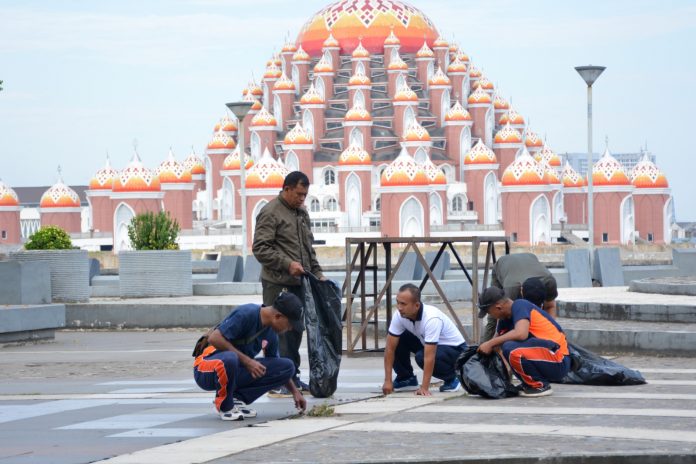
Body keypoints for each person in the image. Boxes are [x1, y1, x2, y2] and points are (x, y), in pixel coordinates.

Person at [252, 171, 325, 395]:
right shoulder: (270, 212)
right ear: (286, 189)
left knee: (295, 330)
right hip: (278, 283)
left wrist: (318, 273)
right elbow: (260, 248)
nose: (302, 199)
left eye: (305, 195)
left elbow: (307, 250)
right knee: (279, 332)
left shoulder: (301, 214)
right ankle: (279, 380)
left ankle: (290, 376)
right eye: (299, 194)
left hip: (299, 282)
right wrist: (287, 264)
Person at [193, 292, 307, 420]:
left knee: (287, 367)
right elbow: (215, 338)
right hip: (206, 368)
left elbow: (277, 366)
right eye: (290, 324)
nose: (290, 329)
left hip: (234, 369)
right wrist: (247, 361)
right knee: (231, 359)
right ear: (278, 316)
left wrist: (295, 392)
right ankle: (224, 406)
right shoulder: (247, 313)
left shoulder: (270, 332)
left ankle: (237, 398)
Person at [476, 286, 570, 397]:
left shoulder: (520, 305)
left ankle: (538, 385)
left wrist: (490, 343)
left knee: (511, 349)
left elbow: (521, 334)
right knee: (507, 347)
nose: (490, 316)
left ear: (498, 307)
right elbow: (496, 345)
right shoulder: (505, 318)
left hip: (559, 359)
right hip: (546, 357)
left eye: (489, 312)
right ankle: (529, 383)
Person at [382, 284, 467, 396]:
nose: (399, 307)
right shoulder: (399, 315)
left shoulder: (431, 318)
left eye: (403, 304)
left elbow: (429, 356)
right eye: (398, 302)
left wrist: (424, 387)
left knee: (421, 356)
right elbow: (389, 349)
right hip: (429, 344)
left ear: (417, 305)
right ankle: (406, 378)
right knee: (397, 338)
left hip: (456, 351)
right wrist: (387, 380)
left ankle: (453, 378)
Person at [482, 253, 558, 342]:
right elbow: (502, 317)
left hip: (529, 260)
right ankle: (484, 345)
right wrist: (492, 343)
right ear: (521, 291)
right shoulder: (511, 290)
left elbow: (550, 307)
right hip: (504, 267)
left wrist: (551, 334)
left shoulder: (549, 282)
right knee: (494, 312)